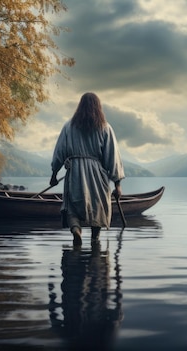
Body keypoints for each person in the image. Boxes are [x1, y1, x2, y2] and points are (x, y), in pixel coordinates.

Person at [50, 92, 125, 246]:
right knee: (97, 205)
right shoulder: (105, 127)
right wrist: (117, 184)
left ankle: (76, 230)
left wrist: (54, 174)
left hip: (75, 172)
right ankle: (94, 238)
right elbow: (112, 157)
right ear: (98, 107)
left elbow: (59, 152)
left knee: (72, 205)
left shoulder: (68, 126)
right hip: (97, 173)